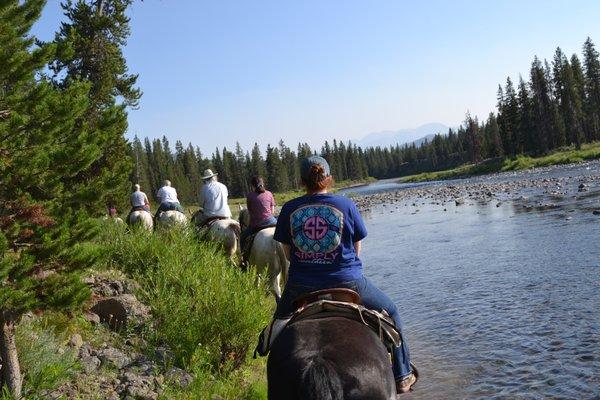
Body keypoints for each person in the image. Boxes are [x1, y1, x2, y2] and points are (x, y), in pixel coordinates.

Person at [272, 155, 417, 394]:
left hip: (300, 286)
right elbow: (357, 248)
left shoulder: (289, 208)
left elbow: (288, 254)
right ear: (328, 178)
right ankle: (402, 374)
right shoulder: (346, 205)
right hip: (348, 282)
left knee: (274, 333)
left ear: (302, 182)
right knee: (391, 311)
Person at [240, 176, 277, 256]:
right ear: (263, 184)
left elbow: (250, 212)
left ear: (252, 186)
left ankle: (243, 259)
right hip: (271, 221)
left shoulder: (250, 196)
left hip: (257, 225)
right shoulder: (269, 193)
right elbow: (272, 211)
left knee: (243, 237)